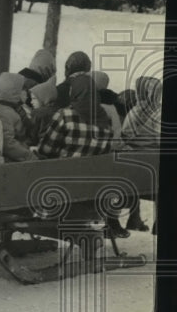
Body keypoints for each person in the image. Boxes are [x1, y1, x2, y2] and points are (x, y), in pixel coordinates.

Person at [118, 76, 162, 233]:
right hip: (153, 167)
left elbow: (124, 135)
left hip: (133, 167)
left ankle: (134, 217)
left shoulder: (133, 111)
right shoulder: (157, 113)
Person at [36, 73, 115, 160]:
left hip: (63, 170)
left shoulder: (65, 115)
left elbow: (46, 149)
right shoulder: (107, 119)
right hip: (94, 171)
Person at [0, 72, 36, 162]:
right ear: (15, 92)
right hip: (13, 161)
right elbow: (7, 143)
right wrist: (29, 156)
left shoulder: (13, 108)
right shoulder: (4, 113)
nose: (26, 93)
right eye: (24, 90)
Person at [27, 76, 59, 146]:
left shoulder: (37, 113)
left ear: (44, 97)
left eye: (34, 98)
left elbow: (32, 139)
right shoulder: (59, 111)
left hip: (40, 149)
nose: (31, 102)